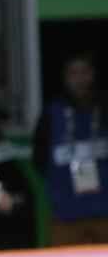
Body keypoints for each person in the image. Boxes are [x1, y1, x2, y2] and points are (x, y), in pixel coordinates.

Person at [33, 52, 108, 246]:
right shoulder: (51, 113)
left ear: (92, 75)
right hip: (66, 215)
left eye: (84, 72)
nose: (79, 79)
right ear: (65, 78)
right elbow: (39, 160)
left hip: (104, 213)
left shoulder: (105, 109)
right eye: (73, 73)